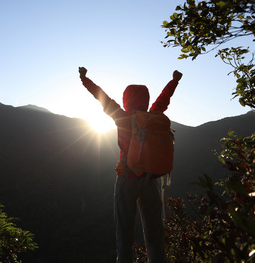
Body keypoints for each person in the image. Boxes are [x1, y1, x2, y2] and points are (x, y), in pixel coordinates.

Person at [78, 67, 183, 263]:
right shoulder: (153, 115)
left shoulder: (122, 116)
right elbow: (164, 98)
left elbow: (101, 96)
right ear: (145, 99)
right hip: (151, 179)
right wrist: (174, 80)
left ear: (126, 100)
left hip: (127, 178)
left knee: (124, 234)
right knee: (154, 234)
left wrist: (85, 79)